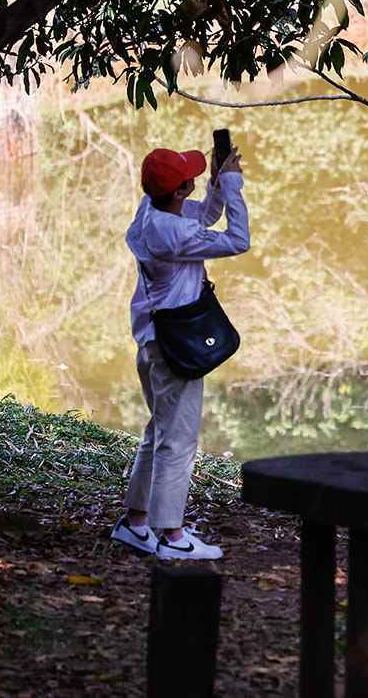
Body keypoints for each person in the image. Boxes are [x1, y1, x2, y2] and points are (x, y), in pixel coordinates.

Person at [110, 138, 249, 559]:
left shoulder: (152, 210)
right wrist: (236, 186)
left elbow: (204, 216)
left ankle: (136, 523)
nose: (193, 180)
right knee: (179, 441)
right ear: (177, 191)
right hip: (175, 349)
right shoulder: (175, 233)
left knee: (158, 432)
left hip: (152, 340)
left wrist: (216, 186)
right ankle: (171, 536)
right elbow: (237, 239)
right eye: (189, 179)